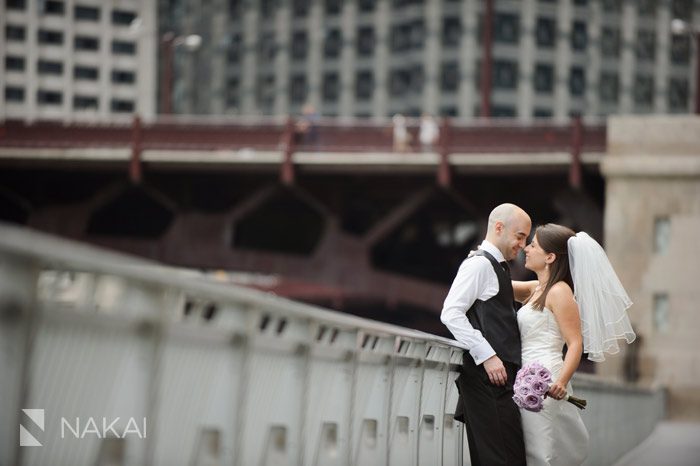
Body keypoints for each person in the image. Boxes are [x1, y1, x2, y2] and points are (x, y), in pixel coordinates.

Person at [512, 223, 636, 466]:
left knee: (539, 450)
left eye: (533, 245)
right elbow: (498, 284)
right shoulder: (537, 289)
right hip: (525, 375)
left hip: (544, 378)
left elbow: (575, 342)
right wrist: (485, 258)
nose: (526, 248)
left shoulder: (559, 292)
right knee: (536, 447)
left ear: (549, 257)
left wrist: (561, 382)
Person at [441, 203, 531, 466]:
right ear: (499, 228)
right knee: (501, 459)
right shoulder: (479, 265)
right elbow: (450, 313)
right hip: (487, 380)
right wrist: (487, 354)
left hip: (498, 383)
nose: (523, 245)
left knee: (504, 457)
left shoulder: (498, 267)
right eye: (520, 236)